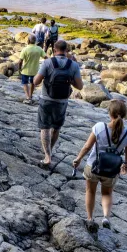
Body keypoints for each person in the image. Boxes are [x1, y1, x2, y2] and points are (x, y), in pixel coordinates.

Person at [71, 100, 127, 231]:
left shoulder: (99, 127)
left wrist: (78, 159)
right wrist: (125, 165)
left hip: (93, 166)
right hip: (112, 170)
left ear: (109, 113)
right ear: (125, 115)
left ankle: (90, 218)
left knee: (90, 191)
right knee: (107, 193)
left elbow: (87, 146)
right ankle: (105, 217)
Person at [33, 40, 83, 168]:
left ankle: (47, 156)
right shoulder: (73, 65)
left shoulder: (48, 62)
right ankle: (50, 150)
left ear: (54, 50)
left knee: (45, 127)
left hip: (46, 99)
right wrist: (70, 80)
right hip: (62, 101)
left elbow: (36, 82)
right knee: (56, 128)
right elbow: (80, 86)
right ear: (67, 50)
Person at [17, 34, 46, 105]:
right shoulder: (39, 49)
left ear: (28, 41)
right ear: (35, 41)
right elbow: (46, 57)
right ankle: (30, 95)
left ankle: (28, 97)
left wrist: (19, 69)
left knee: (25, 83)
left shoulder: (25, 49)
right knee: (32, 83)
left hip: (25, 70)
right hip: (35, 70)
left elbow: (20, 61)